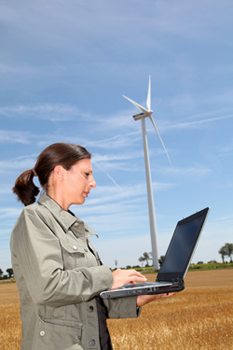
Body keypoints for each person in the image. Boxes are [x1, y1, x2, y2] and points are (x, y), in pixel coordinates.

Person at [10, 142, 174, 350]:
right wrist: (110, 278)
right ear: (60, 172)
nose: (93, 183)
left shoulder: (75, 228)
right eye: (86, 174)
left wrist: (146, 295)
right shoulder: (33, 218)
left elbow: (92, 302)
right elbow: (47, 287)